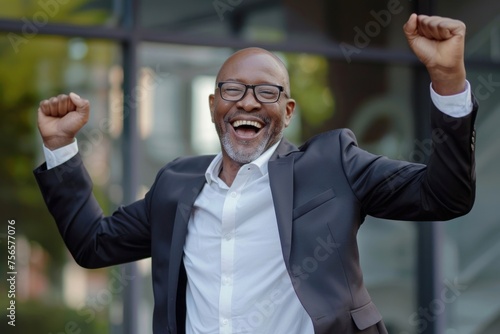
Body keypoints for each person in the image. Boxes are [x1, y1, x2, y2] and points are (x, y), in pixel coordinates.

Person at [34, 14, 477, 334]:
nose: (247, 102)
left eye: (265, 91)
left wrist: (448, 81)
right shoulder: (176, 185)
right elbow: (93, 244)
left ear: (286, 111)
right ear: (213, 107)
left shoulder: (332, 165)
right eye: (232, 90)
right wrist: (60, 147)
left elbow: (445, 196)